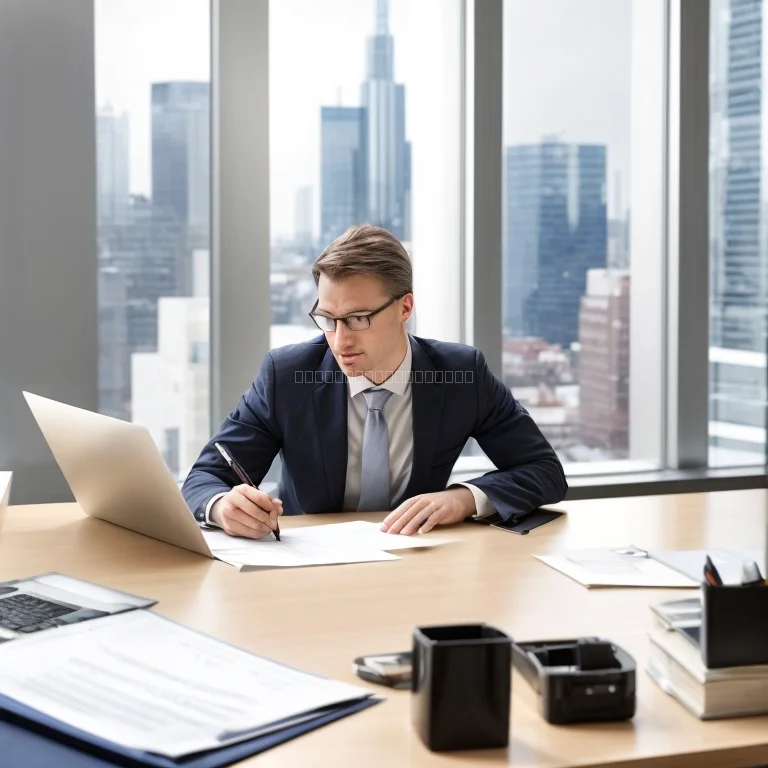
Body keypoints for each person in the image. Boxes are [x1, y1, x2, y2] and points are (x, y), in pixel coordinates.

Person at [182, 225, 567, 539]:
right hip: (309, 572)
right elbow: (205, 477)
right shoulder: (286, 376)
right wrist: (221, 506)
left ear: (405, 308)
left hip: (417, 561)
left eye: (358, 318)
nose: (340, 340)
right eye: (328, 318)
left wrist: (464, 498)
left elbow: (544, 470)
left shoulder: (461, 373)